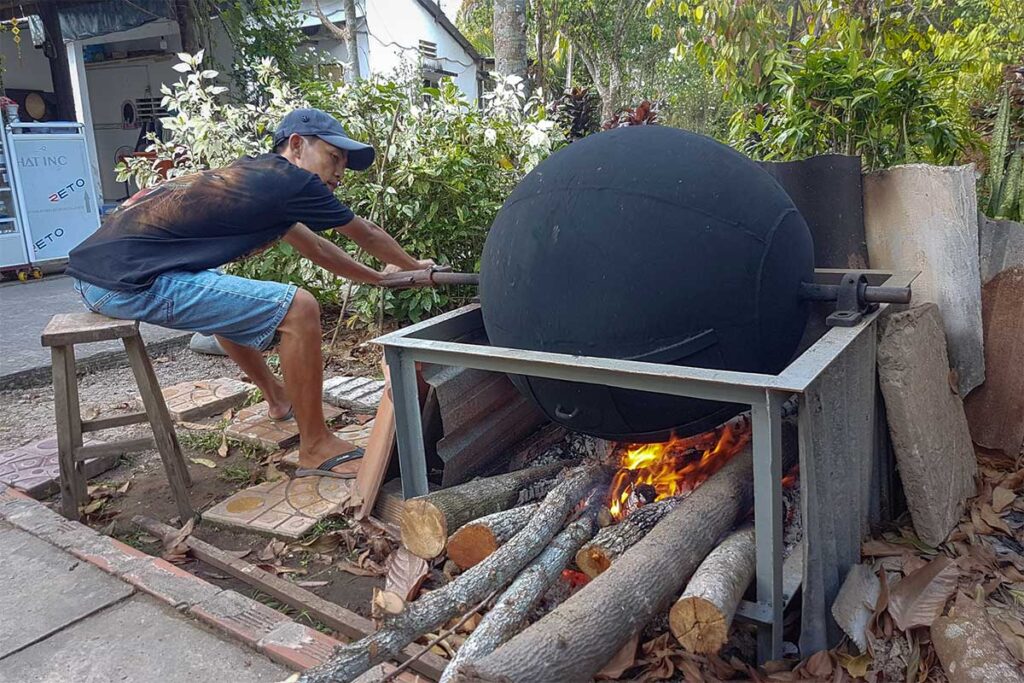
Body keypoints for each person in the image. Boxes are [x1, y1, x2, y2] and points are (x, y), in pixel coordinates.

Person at [67, 108, 434, 478]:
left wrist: (378, 278)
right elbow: (366, 233)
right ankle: (316, 446)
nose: (339, 172)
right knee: (299, 308)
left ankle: (279, 399)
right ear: (296, 145)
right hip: (122, 281)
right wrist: (415, 267)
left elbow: (318, 249)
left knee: (229, 296)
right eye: (333, 157)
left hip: (100, 274)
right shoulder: (293, 182)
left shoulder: (263, 179)